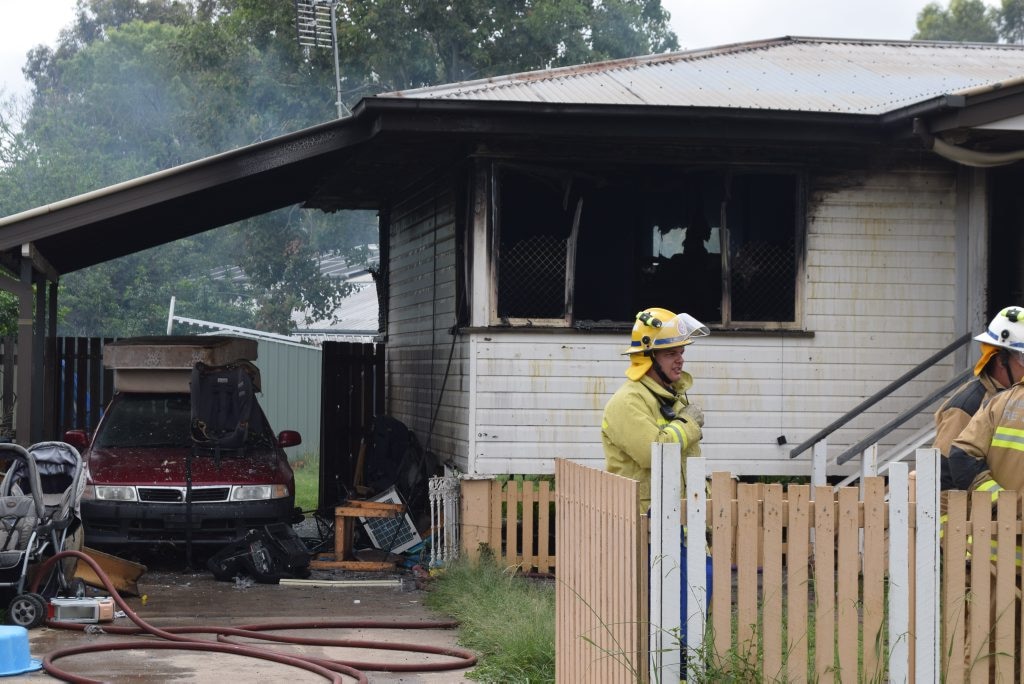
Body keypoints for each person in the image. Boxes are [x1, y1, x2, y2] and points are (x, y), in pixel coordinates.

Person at [600, 306, 710, 656]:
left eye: (681, 351)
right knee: (668, 624)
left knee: (695, 615)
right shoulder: (627, 401)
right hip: (652, 529)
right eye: (671, 353)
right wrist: (689, 425)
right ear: (648, 356)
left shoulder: (669, 395)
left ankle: (689, 675)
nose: (680, 360)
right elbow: (657, 453)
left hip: (683, 526)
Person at [934, 313, 1019, 489]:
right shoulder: (967, 405)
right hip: (970, 513)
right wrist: (948, 517)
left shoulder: (1011, 401)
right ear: (1001, 360)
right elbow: (944, 474)